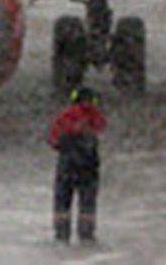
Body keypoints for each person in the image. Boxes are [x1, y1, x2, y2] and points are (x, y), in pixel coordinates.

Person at [47, 86, 107, 243]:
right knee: (87, 201)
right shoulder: (94, 114)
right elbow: (101, 126)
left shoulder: (65, 115)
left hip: (67, 164)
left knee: (62, 200)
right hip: (88, 165)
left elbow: (53, 139)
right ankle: (86, 234)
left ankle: (62, 234)